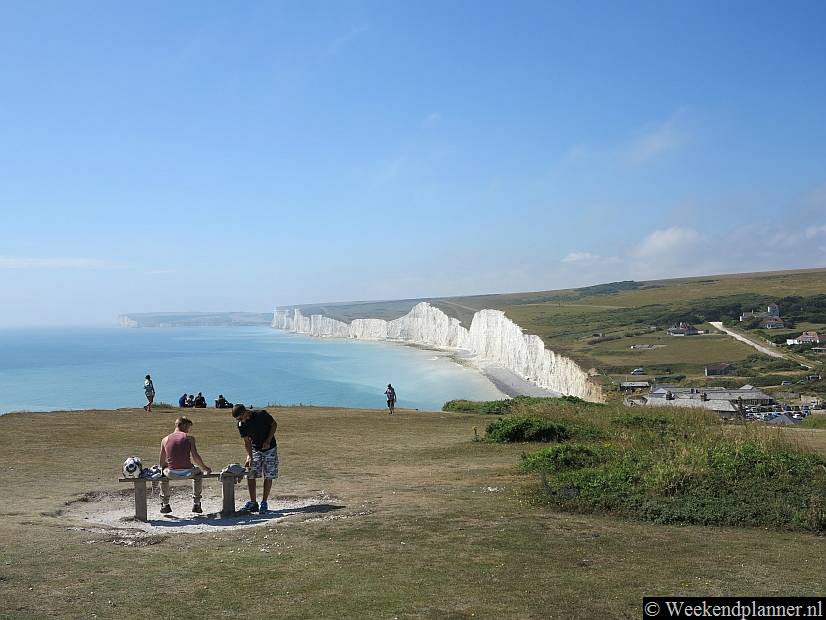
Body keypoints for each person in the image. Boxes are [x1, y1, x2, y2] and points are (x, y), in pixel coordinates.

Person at [158, 416, 212, 514]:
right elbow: (195, 457)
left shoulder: (164, 439)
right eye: (188, 427)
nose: (188, 430)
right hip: (188, 472)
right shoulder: (190, 438)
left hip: (171, 473)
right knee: (198, 474)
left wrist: (167, 465)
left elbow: (161, 462)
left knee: (162, 474)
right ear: (184, 425)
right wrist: (205, 468)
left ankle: (165, 504)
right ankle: (197, 503)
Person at [231, 404, 278, 513]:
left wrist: (268, 440)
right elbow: (247, 442)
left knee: (268, 475)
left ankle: (264, 502)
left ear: (245, 412)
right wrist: (250, 457)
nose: (240, 421)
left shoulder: (261, 414)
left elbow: (274, 425)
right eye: (238, 419)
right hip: (255, 449)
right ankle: (253, 503)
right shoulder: (241, 425)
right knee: (251, 473)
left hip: (269, 448)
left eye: (240, 418)